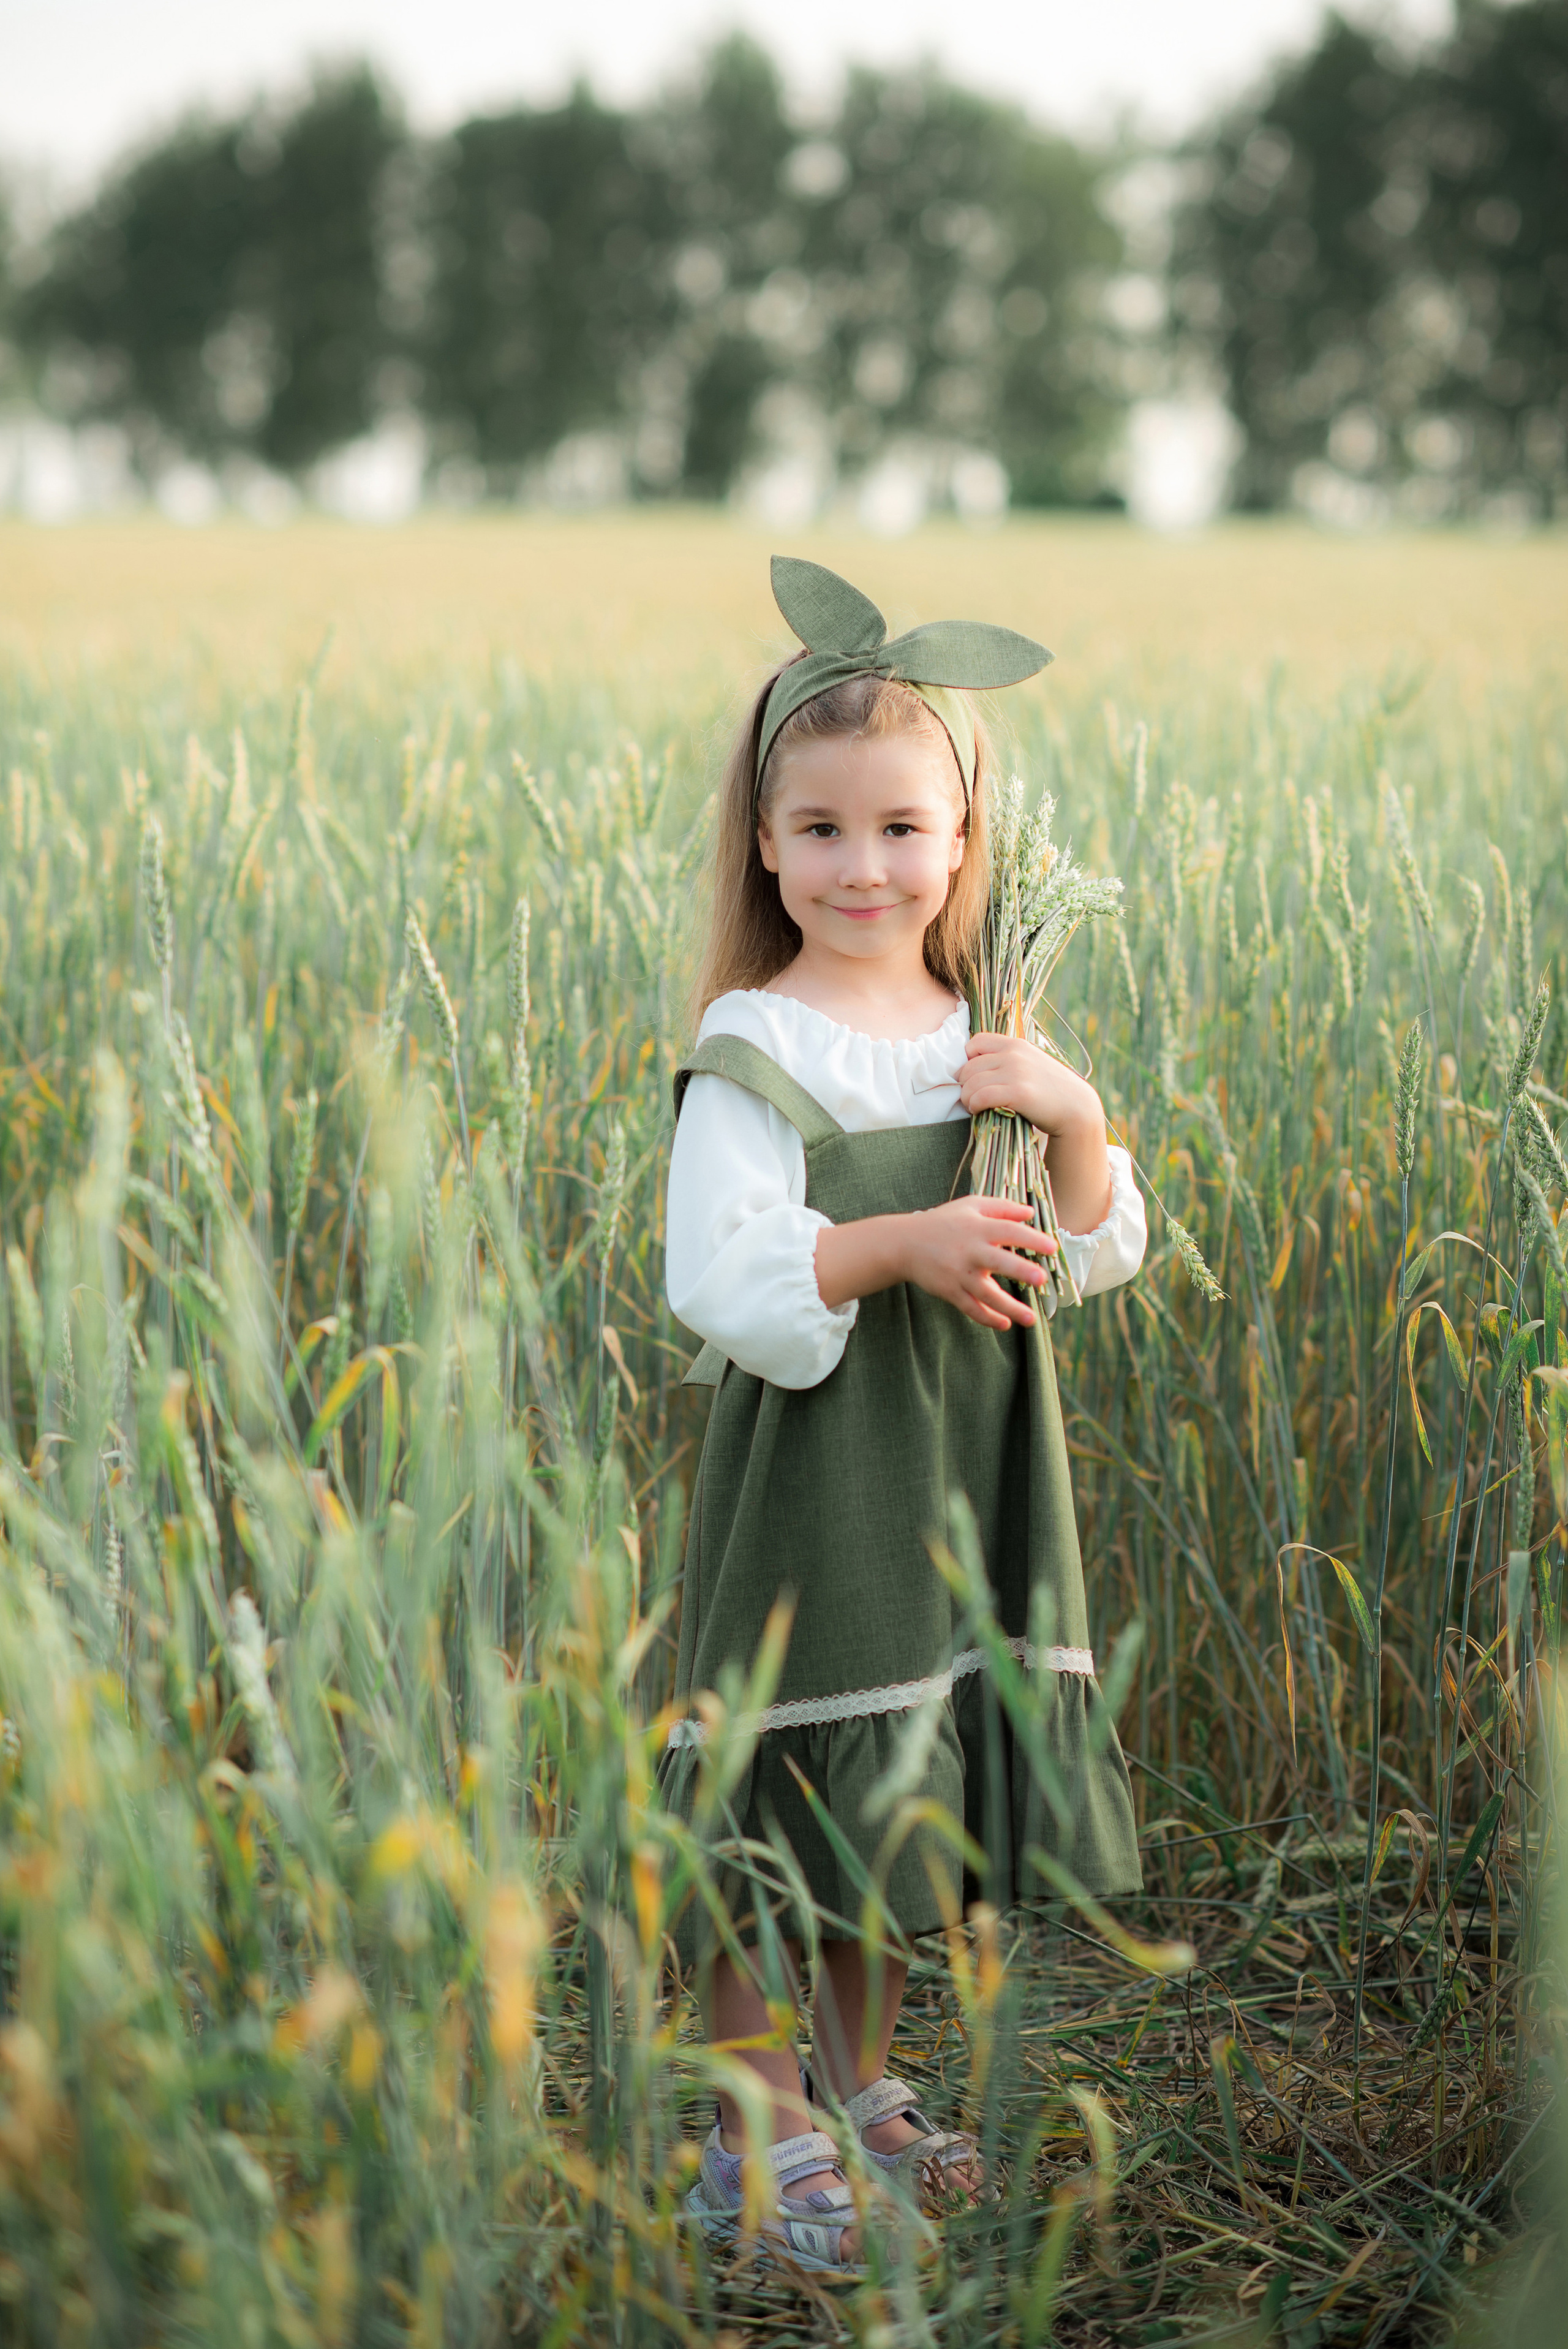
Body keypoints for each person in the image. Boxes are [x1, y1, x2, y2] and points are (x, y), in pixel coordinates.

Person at [662, 558, 1145, 2275]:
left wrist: (1073, 1117)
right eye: (820, 830)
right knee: (773, 1810)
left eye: (901, 829)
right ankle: (747, 2135)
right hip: (821, 1484)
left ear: (962, 841)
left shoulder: (981, 1038)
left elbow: (1087, 1253)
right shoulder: (757, 1039)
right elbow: (719, 1274)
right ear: (766, 844)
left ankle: (853, 2090)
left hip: (955, 1478)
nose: (863, 867)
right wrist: (896, 1241)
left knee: (883, 1815)